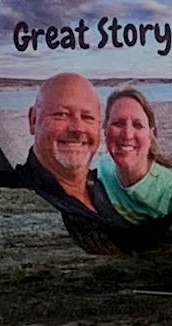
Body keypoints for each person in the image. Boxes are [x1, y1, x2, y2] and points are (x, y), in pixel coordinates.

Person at [94, 88, 172, 223]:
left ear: (151, 134)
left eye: (138, 125)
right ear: (105, 130)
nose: (127, 134)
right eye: (118, 123)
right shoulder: (100, 169)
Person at [24, 70, 110, 222]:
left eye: (87, 117)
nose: (78, 128)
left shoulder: (110, 191)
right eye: (61, 114)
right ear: (33, 120)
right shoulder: (23, 194)